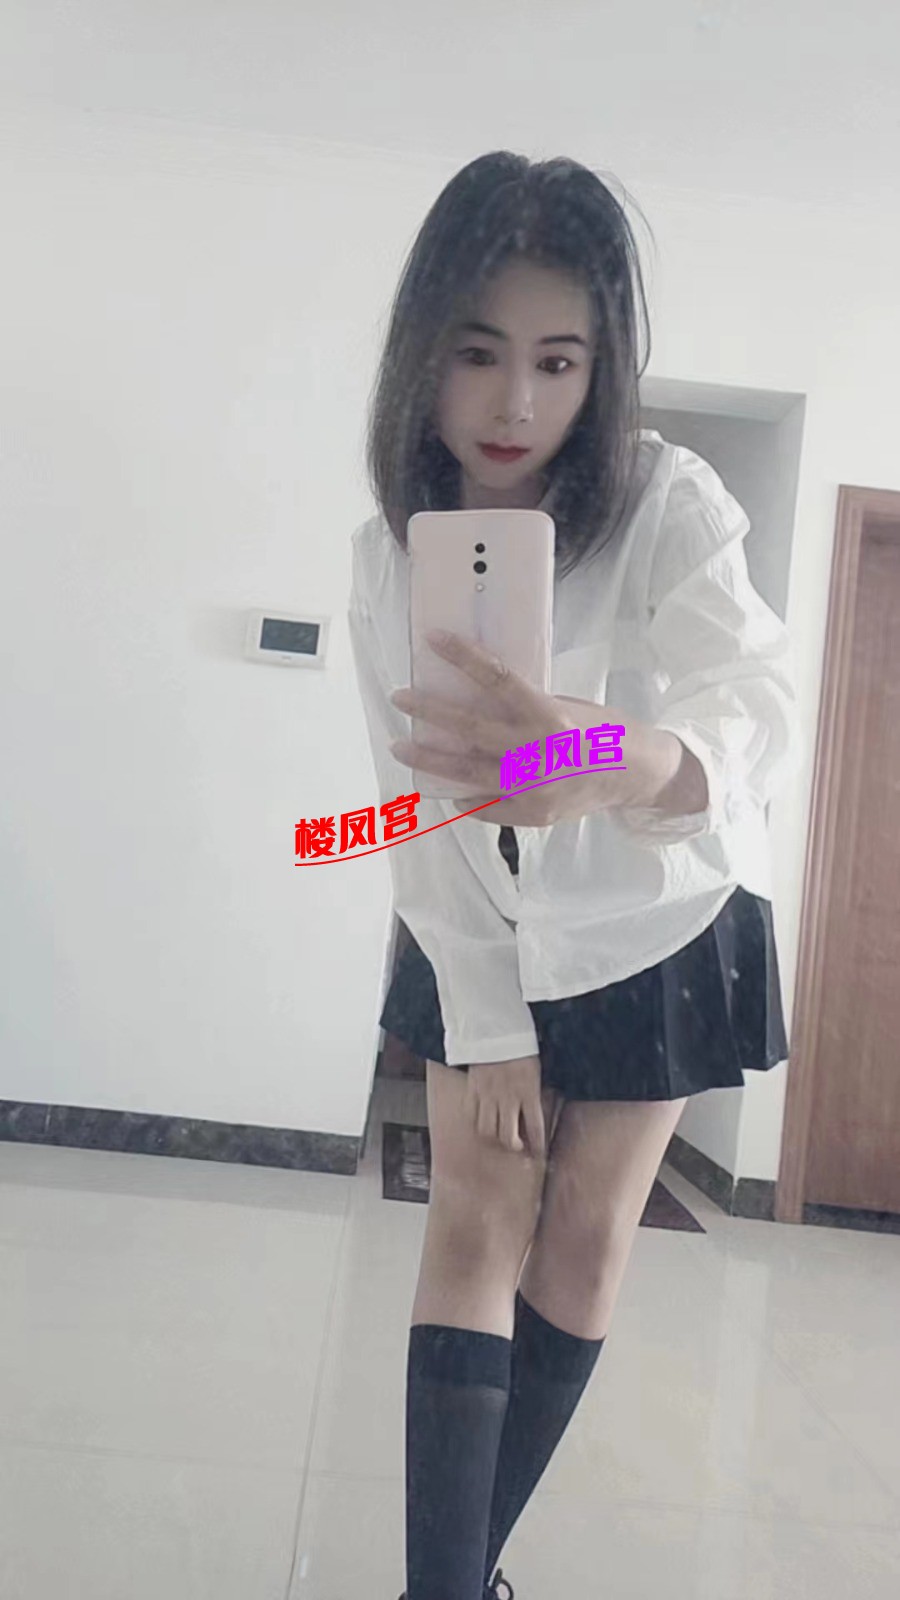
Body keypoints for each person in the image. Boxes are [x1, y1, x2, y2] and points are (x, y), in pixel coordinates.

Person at [347, 152, 796, 1600]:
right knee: (476, 1211)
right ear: (422, 351)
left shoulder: (671, 499)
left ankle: (463, 1576)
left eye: (558, 361)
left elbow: (758, 705)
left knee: (588, 1238)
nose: (514, 405)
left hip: (663, 917)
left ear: (603, 370)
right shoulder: (388, 556)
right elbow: (407, 804)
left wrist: (618, 757)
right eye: (476, 353)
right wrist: (486, 1022)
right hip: (475, 916)